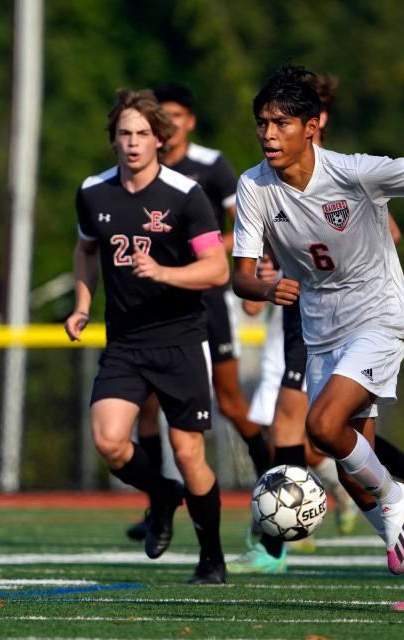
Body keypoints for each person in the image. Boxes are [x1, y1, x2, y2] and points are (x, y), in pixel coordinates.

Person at [231, 63, 404, 610]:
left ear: (312, 127)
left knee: (322, 426)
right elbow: (241, 273)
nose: (268, 134)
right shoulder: (254, 187)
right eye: (262, 123)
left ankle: (400, 494)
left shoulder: (355, 172)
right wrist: (266, 288)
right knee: (351, 472)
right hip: (319, 325)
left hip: (378, 312)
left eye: (281, 123)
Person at [64, 87, 228, 585]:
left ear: (161, 139)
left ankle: (212, 557)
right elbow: (86, 251)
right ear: (112, 140)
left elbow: (216, 269)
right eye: (124, 134)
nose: (133, 142)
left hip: (180, 339)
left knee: (188, 453)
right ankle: (161, 494)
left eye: (142, 134)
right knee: (109, 441)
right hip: (126, 342)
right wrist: (83, 305)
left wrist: (164, 274)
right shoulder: (94, 192)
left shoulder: (185, 195)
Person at [124, 82, 272, 543]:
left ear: (188, 120)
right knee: (145, 409)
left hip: (204, 299)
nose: (167, 127)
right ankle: (158, 507)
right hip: (152, 306)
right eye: (159, 119)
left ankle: (277, 490)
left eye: (175, 117)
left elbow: (244, 227)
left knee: (229, 401)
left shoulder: (211, 166)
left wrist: (206, 257)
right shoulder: (143, 167)